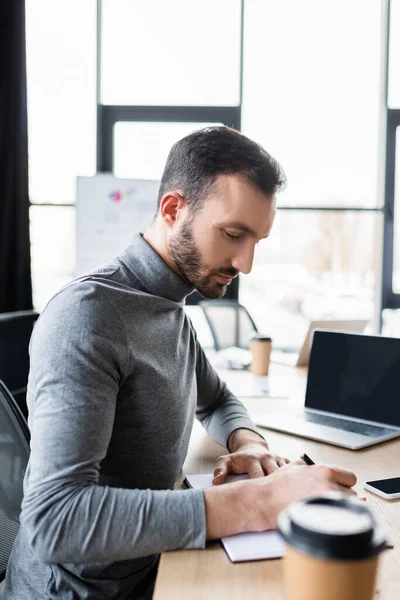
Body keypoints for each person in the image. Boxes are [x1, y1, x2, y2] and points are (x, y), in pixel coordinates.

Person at [2, 126, 357, 600]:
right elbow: (55, 521)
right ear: (172, 210)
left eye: (257, 240)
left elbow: (217, 398)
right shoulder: (89, 316)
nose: (246, 262)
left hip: (149, 567)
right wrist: (257, 501)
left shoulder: (169, 307)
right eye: (234, 234)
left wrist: (247, 442)